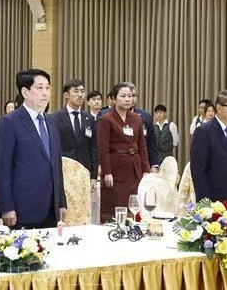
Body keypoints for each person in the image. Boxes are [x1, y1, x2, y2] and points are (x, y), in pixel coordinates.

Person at [0, 69, 67, 229]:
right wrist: (6, 207)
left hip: (51, 208)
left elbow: (56, 166)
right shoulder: (9, 122)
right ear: (25, 92)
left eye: (48, 88)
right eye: (39, 88)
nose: (45, 93)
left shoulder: (51, 122)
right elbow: (2, 169)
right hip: (22, 208)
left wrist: (61, 201)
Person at [98, 83, 150, 221]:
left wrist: (146, 169)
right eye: (123, 96)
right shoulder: (106, 119)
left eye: (130, 96)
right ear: (114, 99)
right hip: (116, 168)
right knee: (115, 204)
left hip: (134, 167)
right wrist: (107, 172)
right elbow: (103, 149)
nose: (128, 99)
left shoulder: (137, 118)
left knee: (133, 206)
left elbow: (142, 146)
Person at [190, 90, 227, 202]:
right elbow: (198, 171)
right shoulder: (203, 132)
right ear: (219, 108)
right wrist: (204, 203)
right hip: (216, 202)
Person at [52, 79, 98, 183]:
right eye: (76, 91)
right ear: (66, 95)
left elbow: (94, 148)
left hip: (85, 170)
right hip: (64, 169)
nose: (80, 95)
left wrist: (94, 175)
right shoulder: (55, 118)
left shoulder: (89, 118)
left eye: (82, 91)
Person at [123, 82, 159, 170]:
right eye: (128, 96)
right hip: (120, 164)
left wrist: (154, 165)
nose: (132, 99)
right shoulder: (111, 116)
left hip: (141, 164)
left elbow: (152, 144)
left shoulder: (146, 117)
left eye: (134, 96)